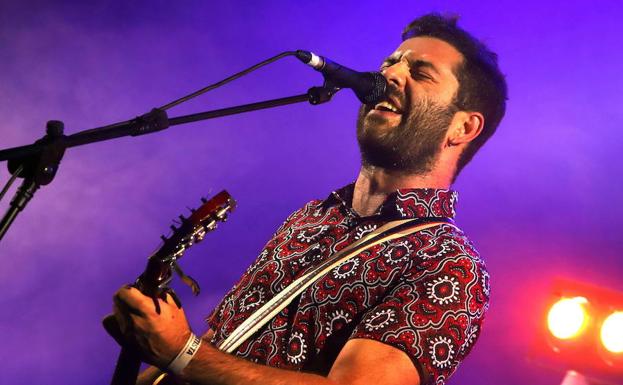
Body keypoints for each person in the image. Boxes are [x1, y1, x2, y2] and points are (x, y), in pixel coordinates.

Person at [110, 13, 507, 385]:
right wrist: (161, 350)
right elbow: (222, 346)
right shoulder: (311, 218)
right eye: (391, 62)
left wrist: (181, 351)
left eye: (419, 72)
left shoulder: (449, 265)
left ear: (463, 126)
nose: (388, 74)